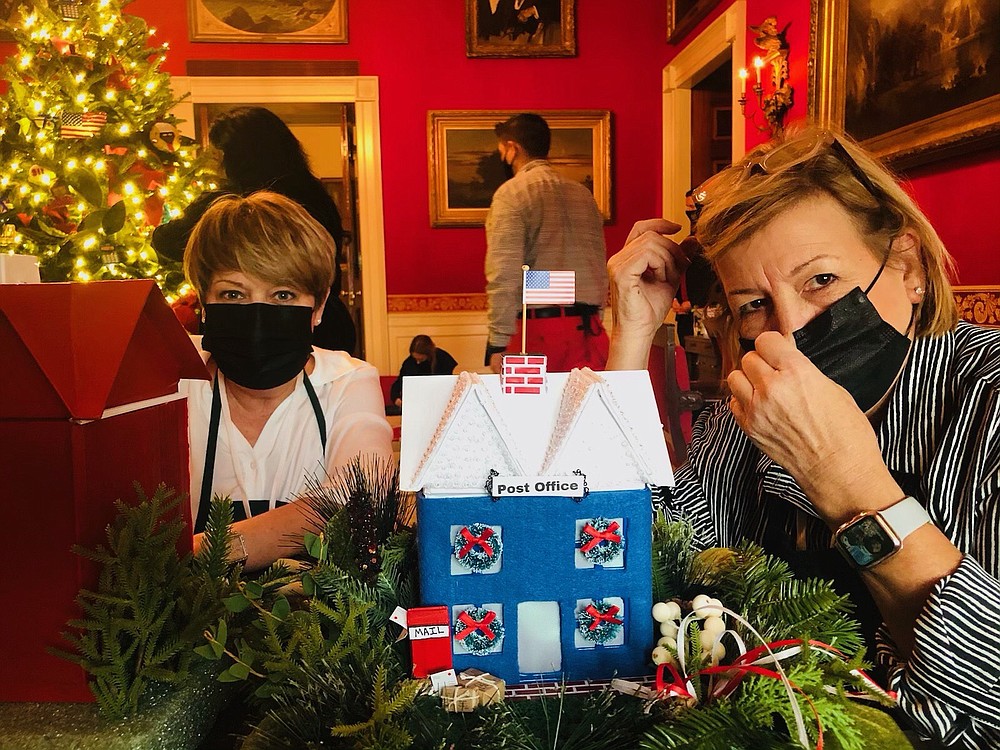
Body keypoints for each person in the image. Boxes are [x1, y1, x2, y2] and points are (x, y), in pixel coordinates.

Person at [606, 129, 1000, 748]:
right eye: (756, 304)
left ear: (909, 268)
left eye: (820, 280)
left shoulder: (989, 403)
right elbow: (641, 560)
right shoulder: (744, 421)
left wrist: (844, 481)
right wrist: (630, 337)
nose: (790, 329)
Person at [178, 191, 392, 570]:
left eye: (282, 294)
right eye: (233, 293)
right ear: (203, 301)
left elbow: (360, 497)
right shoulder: (172, 380)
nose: (258, 314)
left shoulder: (346, 382)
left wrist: (195, 556)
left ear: (319, 307)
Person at [152, 106, 357, 354]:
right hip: (324, 327)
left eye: (220, 153)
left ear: (236, 156)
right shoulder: (314, 195)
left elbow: (166, 241)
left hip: (259, 331)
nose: (217, 162)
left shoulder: (229, 204)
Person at [484, 113, 609, 373]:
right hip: (589, 330)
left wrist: (497, 342)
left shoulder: (512, 194)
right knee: (585, 412)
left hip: (536, 333)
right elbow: (597, 266)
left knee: (528, 413)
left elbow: (505, 274)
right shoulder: (583, 195)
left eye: (501, 151)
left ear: (512, 149)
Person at [389, 334, 458, 407]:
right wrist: (396, 398)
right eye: (415, 359)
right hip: (416, 403)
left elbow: (448, 385)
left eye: (421, 359)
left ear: (428, 354)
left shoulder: (443, 359)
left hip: (439, 402)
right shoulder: (409, 363)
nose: (417, 362)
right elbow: (399, 383)